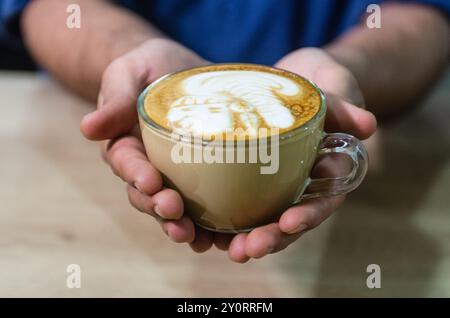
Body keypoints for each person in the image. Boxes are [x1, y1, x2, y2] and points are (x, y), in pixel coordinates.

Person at [2, 0, 448, 263]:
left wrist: (351, 69)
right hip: (103, 231)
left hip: (366, 225)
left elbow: (424, 14)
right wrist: (129, 53)